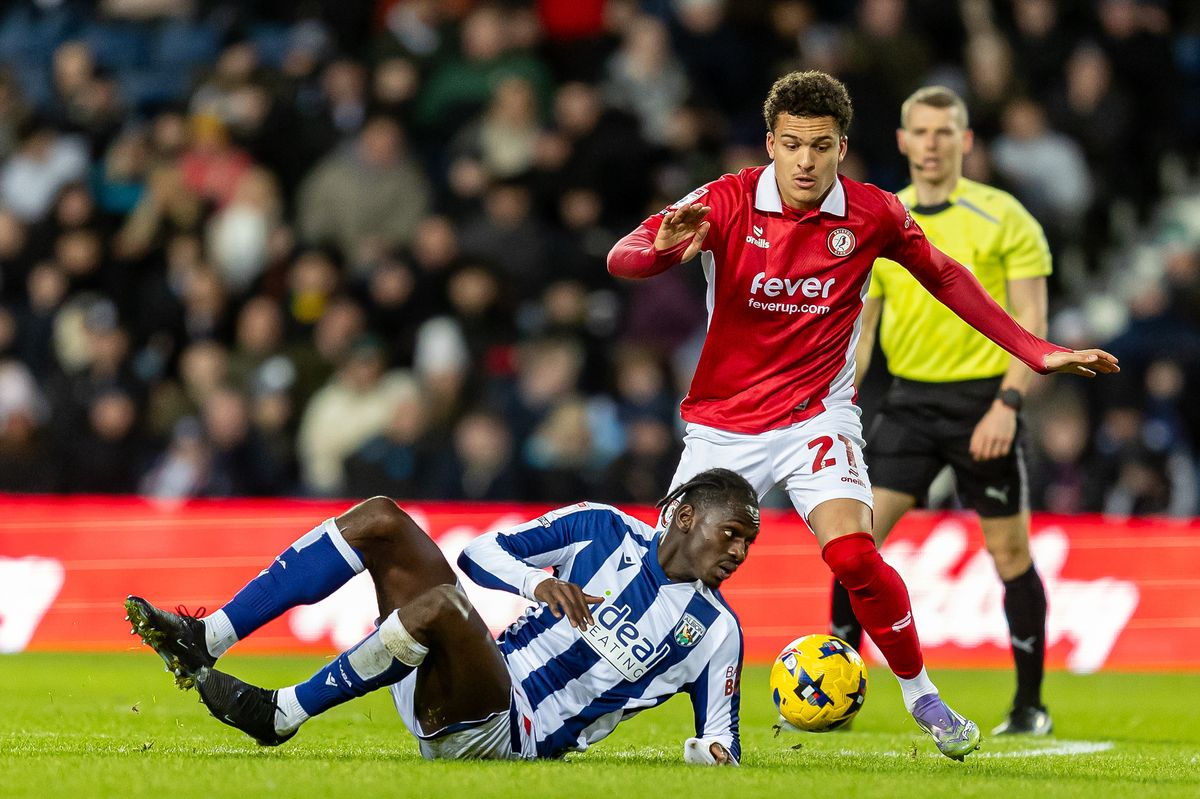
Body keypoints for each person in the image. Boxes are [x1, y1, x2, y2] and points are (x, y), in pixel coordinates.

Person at [607, 70, 1118, 761]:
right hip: (723, 423)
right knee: (670, 574)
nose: (806, 161)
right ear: (771, 144)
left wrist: (1036, 349)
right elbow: (623, 258)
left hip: (817, 415)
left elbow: (946, 277)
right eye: (792, 145)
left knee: (852, 552)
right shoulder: (727, 198)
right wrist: (665, 245)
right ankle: (624, 707)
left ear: (841, 147)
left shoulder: (872, 213)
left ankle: (923, 695)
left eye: (820, 146)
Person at [124, 467, 758, 765]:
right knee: (379, 519)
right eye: (730, 534)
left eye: (747, 544)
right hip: (452, 680)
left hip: (511, 735)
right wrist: (538, 584)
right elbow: (479, 552)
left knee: (445, 609)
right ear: (683, 517)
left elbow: (721, 741)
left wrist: (711, 755)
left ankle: (281, 713)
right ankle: (209, 635)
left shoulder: (716, 631)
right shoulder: (601, 526)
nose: (737, 552)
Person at [830, 86, 1055, 736]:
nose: (930, 144)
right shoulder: (881, 216)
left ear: (965, 141)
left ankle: (1029, 705)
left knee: (1010, 551)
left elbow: (1032, 321)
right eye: (919, 132)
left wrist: (1008, 403)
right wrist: (833, 404)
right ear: (902, 141)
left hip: (984, 400)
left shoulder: (1005, 217)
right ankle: (837, 695)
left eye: (943, 132)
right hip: (908, 403)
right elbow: (862, 330)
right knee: (855, 546)